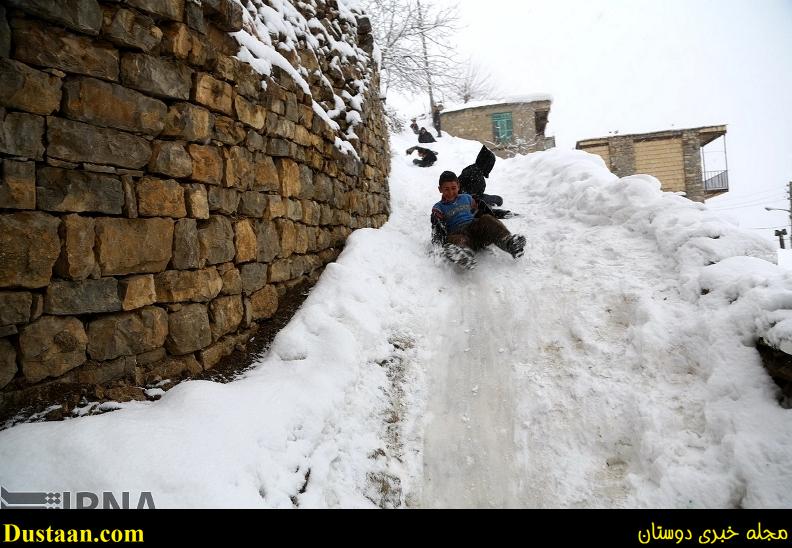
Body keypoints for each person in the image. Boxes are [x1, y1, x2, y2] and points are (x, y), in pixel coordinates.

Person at [430, 170, 525, 269]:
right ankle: (463, 254)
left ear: (458, 186)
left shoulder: (467, 198)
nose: (450, 192)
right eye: (446, 189)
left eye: (453, 188)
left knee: (486, 219)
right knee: (455, 239)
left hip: (475, 229)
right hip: (459, 234)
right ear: (440, 189)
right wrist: (437, 248)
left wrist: (500, 215)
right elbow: (437, 229)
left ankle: (509, 243)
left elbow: (484, 210)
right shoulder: (438, 208)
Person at [458, 145, 511, 218]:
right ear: (487, 165)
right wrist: (498, 212)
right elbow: (475, 201)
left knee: (491, 198)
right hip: (466, 200)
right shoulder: (478, 177)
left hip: (461, 196)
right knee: (497, 199)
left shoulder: (470, 168)